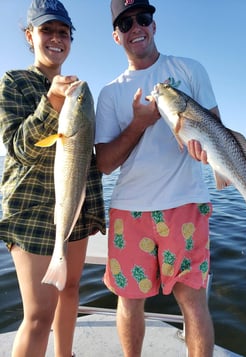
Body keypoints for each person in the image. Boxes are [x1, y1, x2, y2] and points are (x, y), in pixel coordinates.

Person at [95, 0, 222, 356]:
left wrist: (207, 150)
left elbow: (216, 128)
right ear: (115, 35)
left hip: (185, 203)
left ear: (154, 24)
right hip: (128, 209)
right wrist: (139, 123)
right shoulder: (110, 93)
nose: (135, 27)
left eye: (143, 18)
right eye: (125, 22)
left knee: (194, 303)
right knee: (129, 301)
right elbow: (104, 164)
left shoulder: (189, 69)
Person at [0, 1, 106, 356]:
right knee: (38, 315)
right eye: (47, 30)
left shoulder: (76, 92)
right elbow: (18, 148)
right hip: (31, 212)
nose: (56, 38)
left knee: (72, 290)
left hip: (73, 208)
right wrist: (52, 101)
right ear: (30, 36)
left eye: (64, 32)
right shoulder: (13, 83)